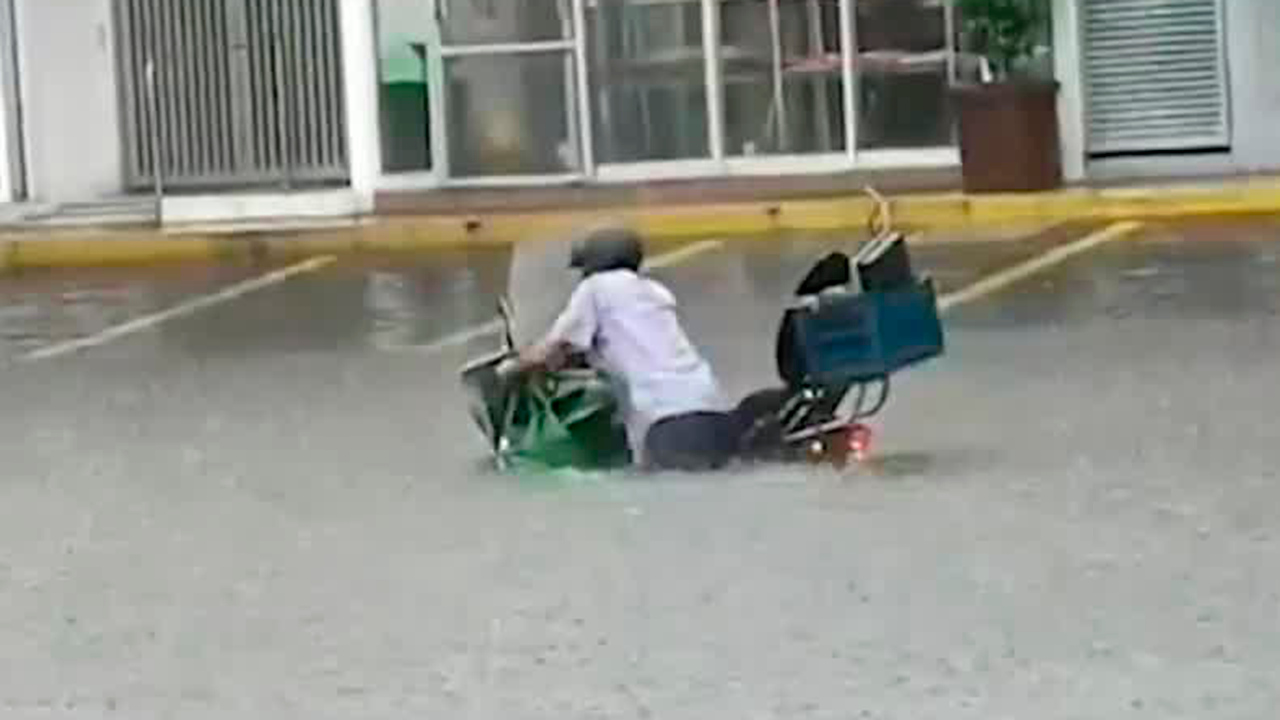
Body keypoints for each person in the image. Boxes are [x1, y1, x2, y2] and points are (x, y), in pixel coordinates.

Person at [513, 226, 738, 471]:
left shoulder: (595, 288)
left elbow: (549, 350)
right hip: (717, 413)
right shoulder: (656, 293)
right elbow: (625, 347)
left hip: (666, 423)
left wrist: (513, 367)